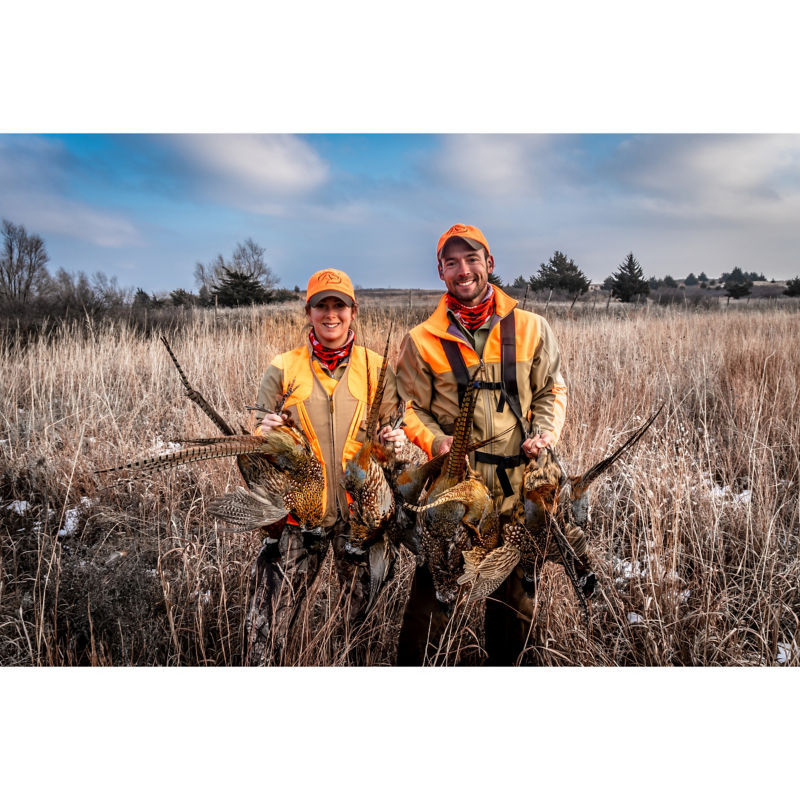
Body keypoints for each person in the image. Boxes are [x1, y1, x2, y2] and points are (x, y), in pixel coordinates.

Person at [396, 223, 592, 665]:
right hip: (456, 492)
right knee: (430, 608)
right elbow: (408, 408)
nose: (463, 270)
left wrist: (545, 434)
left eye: (471, 259)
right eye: (452, 262)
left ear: (490, 263)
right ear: (441, 272)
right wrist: (434, 441)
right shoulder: (422, 340)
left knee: (514, 611)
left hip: (519, 491)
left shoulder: (531, 327)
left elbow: (551, 390)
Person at [248, 268, 409, 665]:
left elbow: (393, 437)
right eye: (322, 306)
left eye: (340, 305)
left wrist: (395, 442)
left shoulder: (377, 368)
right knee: (268, 626)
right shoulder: (283, 368)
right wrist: (261, 431)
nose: (331, 314)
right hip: (300, 515)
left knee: (360, 630)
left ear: (354, 312)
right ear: (309, 312)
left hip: (361, 517)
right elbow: (259, 438)